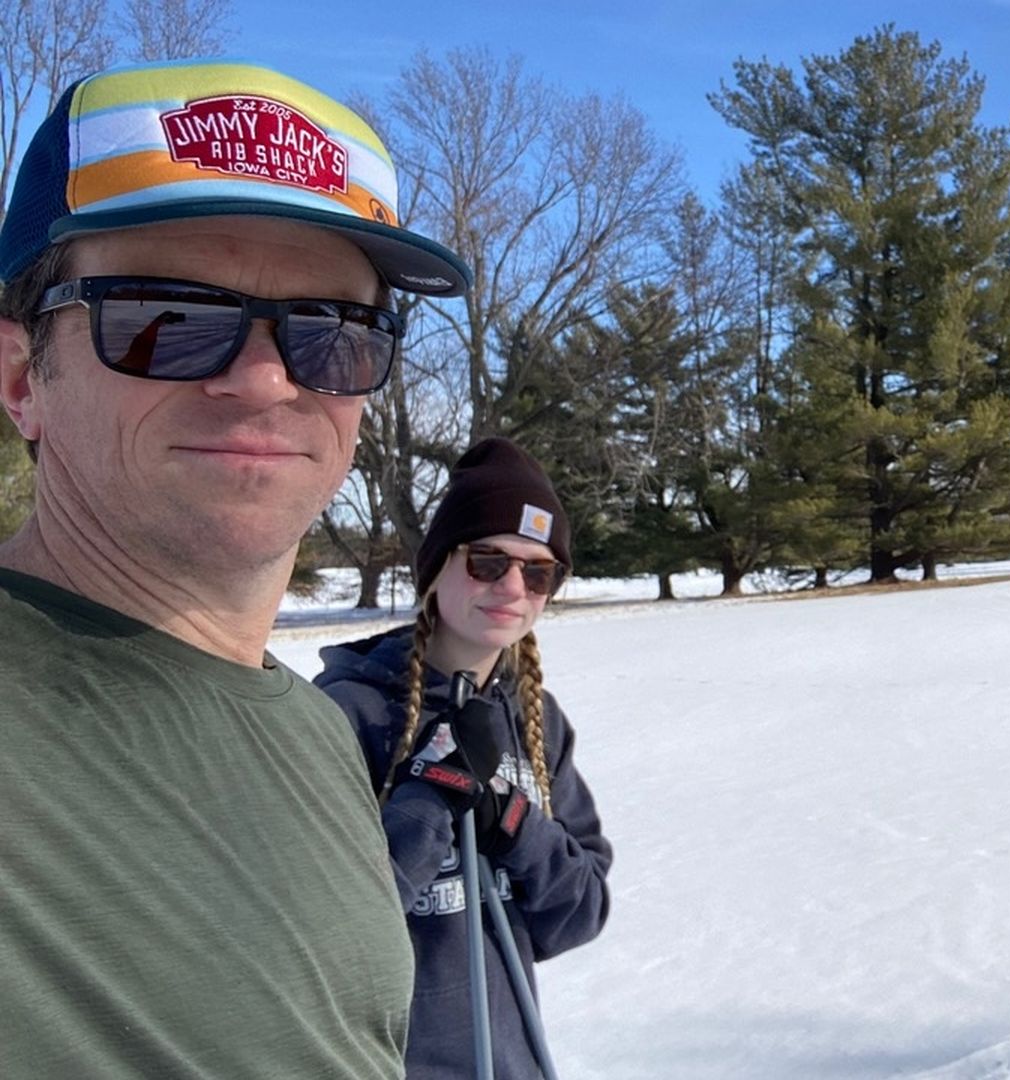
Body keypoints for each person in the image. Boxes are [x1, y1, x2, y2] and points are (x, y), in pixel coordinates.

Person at [0, 58, 467, 1076]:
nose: (263, 381)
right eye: (166, 320)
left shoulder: (312, 731)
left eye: (333, 333)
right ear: (24, 377)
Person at [317, 436, 613, 1079]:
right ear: (437, 568)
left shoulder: (537, 722)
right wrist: (424, 803)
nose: (514, 587)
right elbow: (323, 940)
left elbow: (580, 913)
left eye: (539, 573)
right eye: (488, 561)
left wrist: (516, 825)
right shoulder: (351, 715)